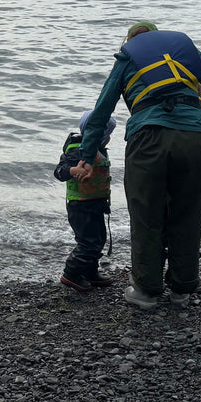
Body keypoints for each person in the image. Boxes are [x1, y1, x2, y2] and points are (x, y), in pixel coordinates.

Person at [70, 20, 201, 310]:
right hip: (195, 137)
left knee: (146, 214)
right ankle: (183, 286)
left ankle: (147, 291)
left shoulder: (128, 57)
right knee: (188, 212)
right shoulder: (185, 53)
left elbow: (102, 109)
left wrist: (87, 157)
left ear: (130, 41)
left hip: (148, 138)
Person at [53, 111, 119, 292]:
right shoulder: (78, 149)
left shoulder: (97, 150)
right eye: (108, 135)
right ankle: (71, 273)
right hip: (80, 205)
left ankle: (90, 271)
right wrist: (73, 170)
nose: (109, 139)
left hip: (96, 202)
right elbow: (59, 171)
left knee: (99, 238)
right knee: (88, 242)